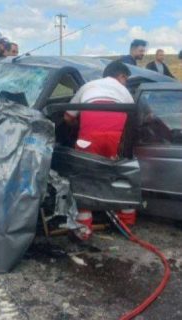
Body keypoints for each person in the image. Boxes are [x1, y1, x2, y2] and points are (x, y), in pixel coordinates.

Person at [65, 61, 135, 240]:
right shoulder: (124, 91)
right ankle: (126, 222)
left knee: (84, 178)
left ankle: (83, 228)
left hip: (88, 139)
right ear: (121, 76)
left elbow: (67, 116)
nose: (125, 82)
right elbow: (132, 116)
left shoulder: (87, 86)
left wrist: (77, 125)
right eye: (125, 79)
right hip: (114, 139)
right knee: (119, 176)